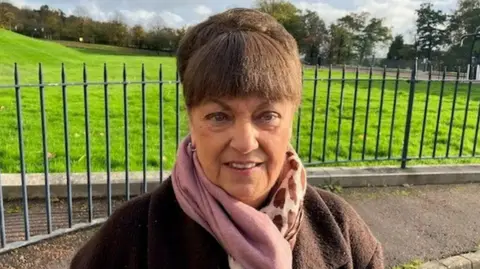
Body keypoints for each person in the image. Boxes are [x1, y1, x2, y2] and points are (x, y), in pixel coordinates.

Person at [69, 8, 384, 269]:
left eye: (267, 115)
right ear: (191, 120)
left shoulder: (341, 231)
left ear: (291, 119)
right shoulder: (128, 240)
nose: (245, 143)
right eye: (218, 117)